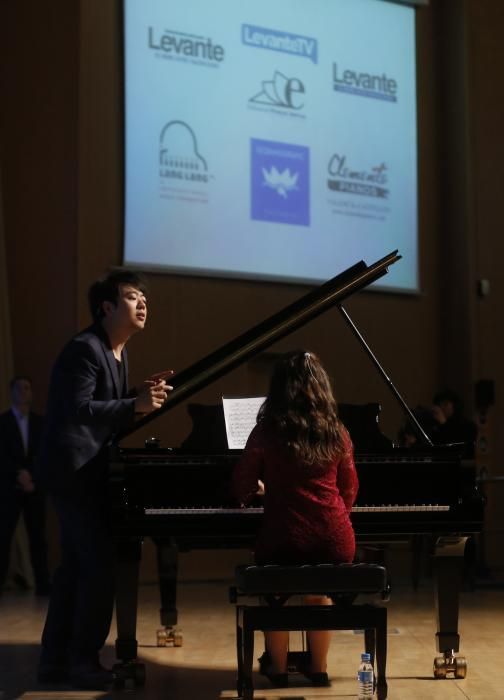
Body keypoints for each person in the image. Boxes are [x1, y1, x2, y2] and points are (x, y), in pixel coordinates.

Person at [36, 269, 172, 690]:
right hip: (73, 472)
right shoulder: (85, 349)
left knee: (75, 570)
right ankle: (81, 660)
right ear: (106, 308)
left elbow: (104, 403)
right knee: (98, 569)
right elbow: (78, 408)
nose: (142, 303)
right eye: (132, 297)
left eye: (143, 298)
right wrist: (133, 403)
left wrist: (135, 395)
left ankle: (56, 660)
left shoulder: (117, 351)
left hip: (86, 471)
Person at [232, 350, 358, 688]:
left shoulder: (266, 432)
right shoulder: (337, 432)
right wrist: (329, 518)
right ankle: (317, 669)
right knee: (320, 590)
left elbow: (241, 485)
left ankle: (278, 669)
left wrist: (261, 490)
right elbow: (349, 489)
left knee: (274, 591)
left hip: (284, 537)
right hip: (335, 539)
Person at [0, 376, 50, 595]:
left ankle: (43, 584)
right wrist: (18, 474)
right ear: (11, 393)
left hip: (34, 487)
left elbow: (44, 454)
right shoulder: (2, 423)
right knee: (3, 537)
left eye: (27, 388)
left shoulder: (41, 423)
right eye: (19, 388)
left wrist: (32, 477)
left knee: (38, 536)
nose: (24, 392)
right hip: (9, 489)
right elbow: (1, 456)